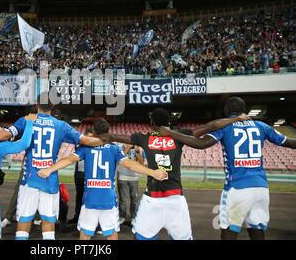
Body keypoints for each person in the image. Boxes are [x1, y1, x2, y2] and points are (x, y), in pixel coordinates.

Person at [96, 108, 250, 240]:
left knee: (140, 237)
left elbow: (112, 137)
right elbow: (210, 126)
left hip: (152, 199)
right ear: (168, 122)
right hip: (176, 199)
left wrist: (90, 138)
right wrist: (235, 119)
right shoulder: (179, 136)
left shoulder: (144, 138)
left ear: (152, 123)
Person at [156, 97, 296, 240]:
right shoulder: (261, 126)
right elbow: (291, 142)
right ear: (245, 110)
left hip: (237, 186)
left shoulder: (226, 126)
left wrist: (172, 133)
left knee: (229, 230)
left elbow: (201, 143)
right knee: (257, 230)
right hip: (261, 188)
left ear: (226, 111)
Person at [0, 93, 107, 241]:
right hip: (50, 180)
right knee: (48, 222)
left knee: (24, 220)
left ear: (36, 104)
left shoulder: (25, 121)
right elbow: (87, 141)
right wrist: (107, 140)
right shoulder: (61, 125)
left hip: (29, 179)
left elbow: (3, 136)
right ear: (53, 106)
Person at [37, 118, 167, 240]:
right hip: (108, 199)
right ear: (108, 132)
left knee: (85, 233)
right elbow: (130, 164)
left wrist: (49, 169)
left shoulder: (86, 148)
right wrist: (153, 172)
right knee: (111, 234)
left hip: (90, 199)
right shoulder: (115, 149)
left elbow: (69, 159)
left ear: (93, 133)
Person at [68, 128, 93, 224]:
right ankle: (77, 216)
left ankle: (89, 219)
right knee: (79, 196)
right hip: (79, 173)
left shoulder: (95, 145)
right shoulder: (79, 144)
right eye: (88, 137)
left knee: (90, 197)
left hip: (90, 174)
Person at [116, 144, 143, 226]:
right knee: (123, 199)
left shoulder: (138, 148)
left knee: (134, 199)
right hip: (122, 175)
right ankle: (122, 216)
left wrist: (137, 151)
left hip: (134, 176)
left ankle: (134, 217)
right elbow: (118, 159)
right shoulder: (120, 147)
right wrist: (126, 149)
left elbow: (142, 162)